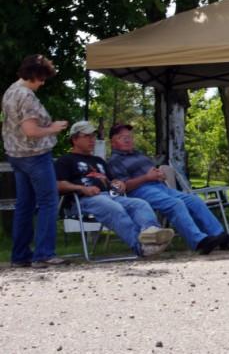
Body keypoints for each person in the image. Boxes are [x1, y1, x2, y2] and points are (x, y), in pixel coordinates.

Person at [107, 124, 229, 254]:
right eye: (123, 137)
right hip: (140, 191)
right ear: (112, 142)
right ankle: (199, 242)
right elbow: (124, 187)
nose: (128, 140)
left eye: (130, 137)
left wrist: (159, 175)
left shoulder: (138, 154)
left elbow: (151, 172)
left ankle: (221, 238)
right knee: (175, 204)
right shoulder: (115, 161)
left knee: (194, 200)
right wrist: (147, 178)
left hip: (159, 186)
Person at [55, 121, 175, 257]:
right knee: (113, 207)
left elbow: (112, 181)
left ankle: (152, 234)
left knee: (139, 204)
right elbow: (58, 185)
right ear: (75, 139)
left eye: (93, 136)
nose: (92, 140)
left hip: (109, 196)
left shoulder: (98, 161)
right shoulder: (65, 161)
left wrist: (119, 184)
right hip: (83, 201)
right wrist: (82, 188)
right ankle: (142, 247)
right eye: (87, 136)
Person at [2, 55, 68, 268]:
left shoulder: (10, 91)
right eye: (41, 78)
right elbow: (30, 131)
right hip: (35, 156)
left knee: (24, 206)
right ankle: (44, 253)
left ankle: (20, 255)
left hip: (16, 155)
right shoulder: (27, 96)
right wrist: (53, 128)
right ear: (34, 76)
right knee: (48, 202)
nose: (42, 83)